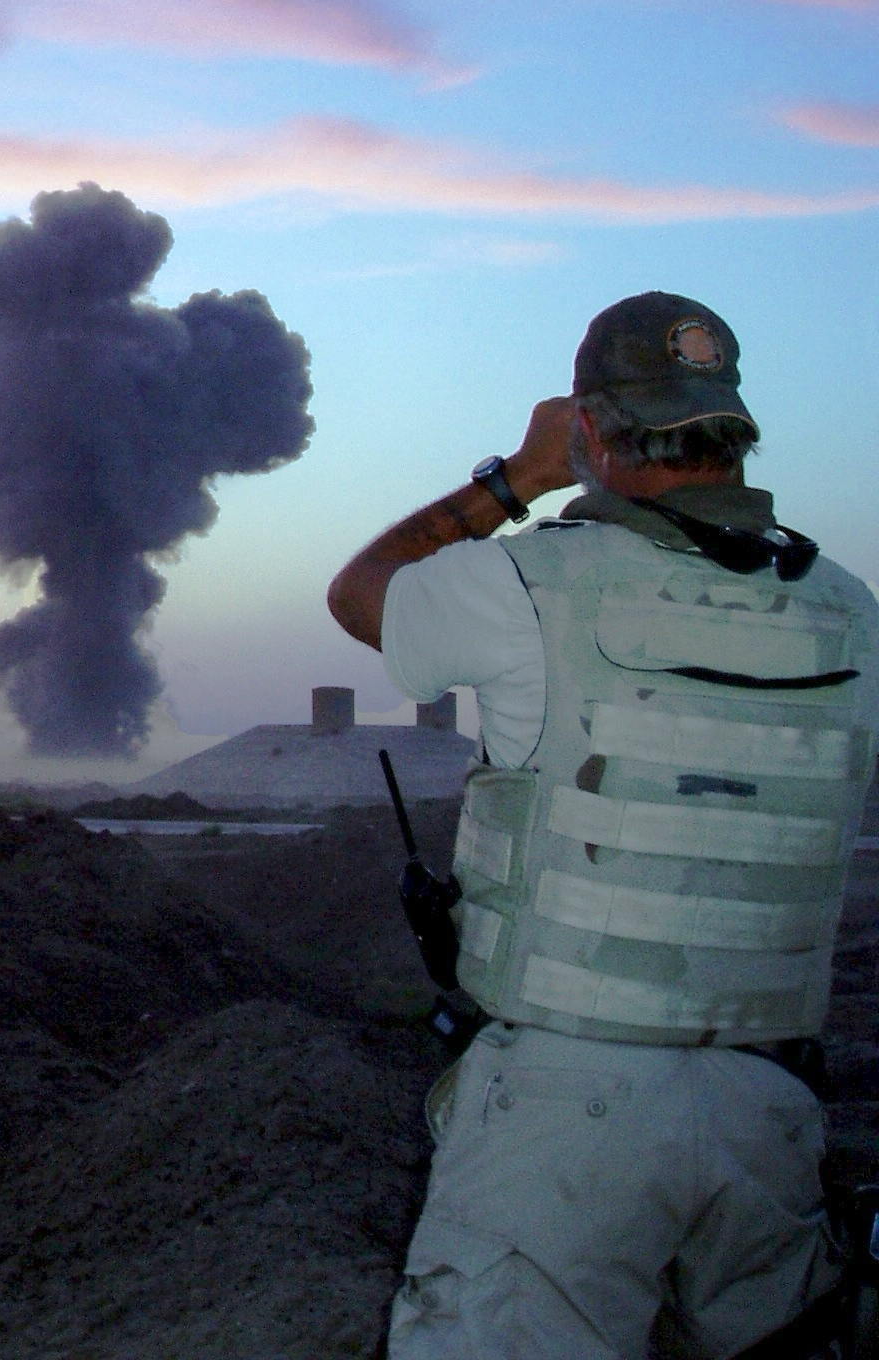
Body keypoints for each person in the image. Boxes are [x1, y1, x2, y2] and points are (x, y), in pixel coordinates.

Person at [326, 291, 879, 1358]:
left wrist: (514, 479)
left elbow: (362, 595)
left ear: (587, 427)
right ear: (728, 427)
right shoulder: (851, 611)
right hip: (765, 1117)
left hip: (560, 1120)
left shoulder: (530, 583)